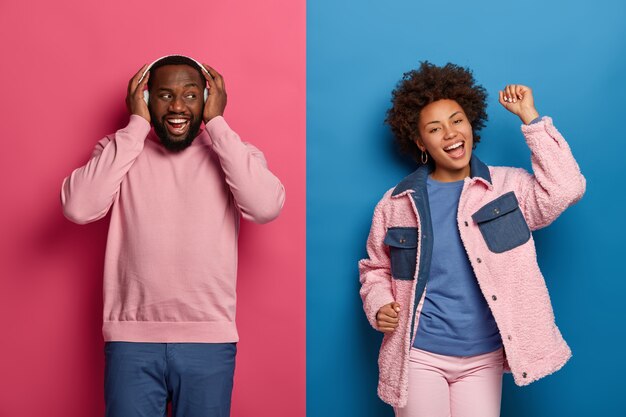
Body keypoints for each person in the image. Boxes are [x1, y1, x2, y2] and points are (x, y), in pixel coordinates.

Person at [61, 55, 285, 417]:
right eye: (164, 95)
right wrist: (135, 126)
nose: (178, 106)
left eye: (191, 95)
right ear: (145, 98)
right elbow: (78, 207)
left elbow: (265, 207)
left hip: (209, 340)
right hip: (131, 340)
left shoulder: (231, 153)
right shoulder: (119, 150)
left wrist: (218, 124)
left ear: (209, 98)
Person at [358, 62, 585, 417]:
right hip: (419, 353)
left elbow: (567, 188)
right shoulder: (396, 203)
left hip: (484, 357)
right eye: (435, 128)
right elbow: (375, 268)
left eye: (457, 120)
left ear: (471, 123)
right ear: (420, 141)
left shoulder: (508, 187)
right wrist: (379, 304)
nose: (449, 133)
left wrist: (531, 119)